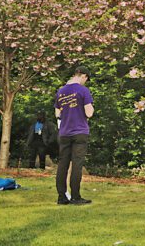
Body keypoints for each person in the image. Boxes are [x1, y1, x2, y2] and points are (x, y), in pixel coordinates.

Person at [55, 66, 95, 205]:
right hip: (80, 132)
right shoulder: (83, 90)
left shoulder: (61, 91)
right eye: (86, 79)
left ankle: (61, 197)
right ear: (83, 76)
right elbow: (89, 112)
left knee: (62, 164)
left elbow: (57, 113)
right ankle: (75, 196)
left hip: (64, 132)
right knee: (77, 165)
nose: (86, 82)